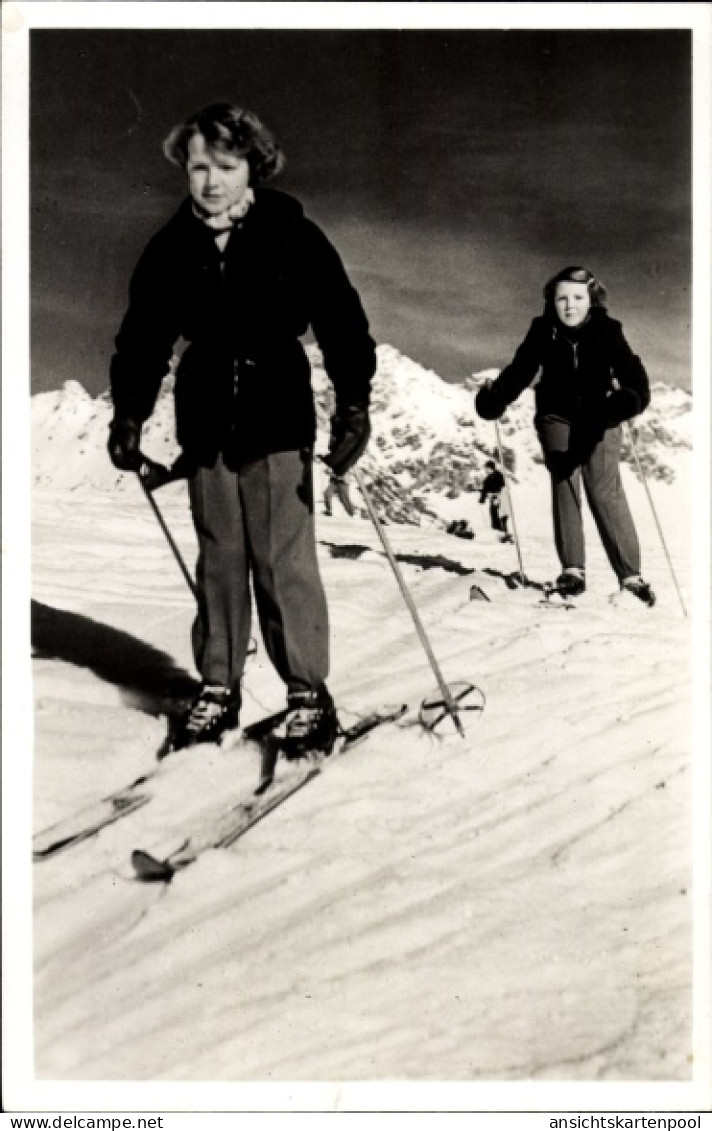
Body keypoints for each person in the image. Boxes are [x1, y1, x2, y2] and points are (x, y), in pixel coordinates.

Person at [107, 102, 377, 753]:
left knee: (282, 561)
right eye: (197, 166)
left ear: (251, 165)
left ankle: (308, 691)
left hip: (278, 409)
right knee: (220, 559)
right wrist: (129, 411)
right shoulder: (171, 247)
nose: (210, 181)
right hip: (204, 416)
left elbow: (340, 317)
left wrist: (354, 403)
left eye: (224, 165)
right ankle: (218, 685)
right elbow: (144, 337)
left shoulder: (290, 231)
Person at [474, 266, 655, 604]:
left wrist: (628, 399)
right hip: (556, 416)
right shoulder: (543, 331)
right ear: (551, 301)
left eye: (577, 297)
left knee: (603, 489)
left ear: (591, 300)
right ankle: (572, 571)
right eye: (561, 298)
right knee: (564, 479)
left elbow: (633, 375)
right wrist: (496, 397)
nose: (569, 305)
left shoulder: (607, 330)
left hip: (601, 415)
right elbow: (521, 369)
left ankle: (631, 577)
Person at [479, 459, 512, 542]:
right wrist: (482, 499)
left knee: (501, 516)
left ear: (491, 468)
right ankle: (498, 533)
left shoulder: (498, 476)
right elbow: (485, 489)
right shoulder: (488, 479)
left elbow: (502, 487)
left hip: (500, 499)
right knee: (494, 515)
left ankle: (503, 534)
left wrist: (494, 494)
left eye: (487, 468)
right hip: (494, 499)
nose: (486, 470)